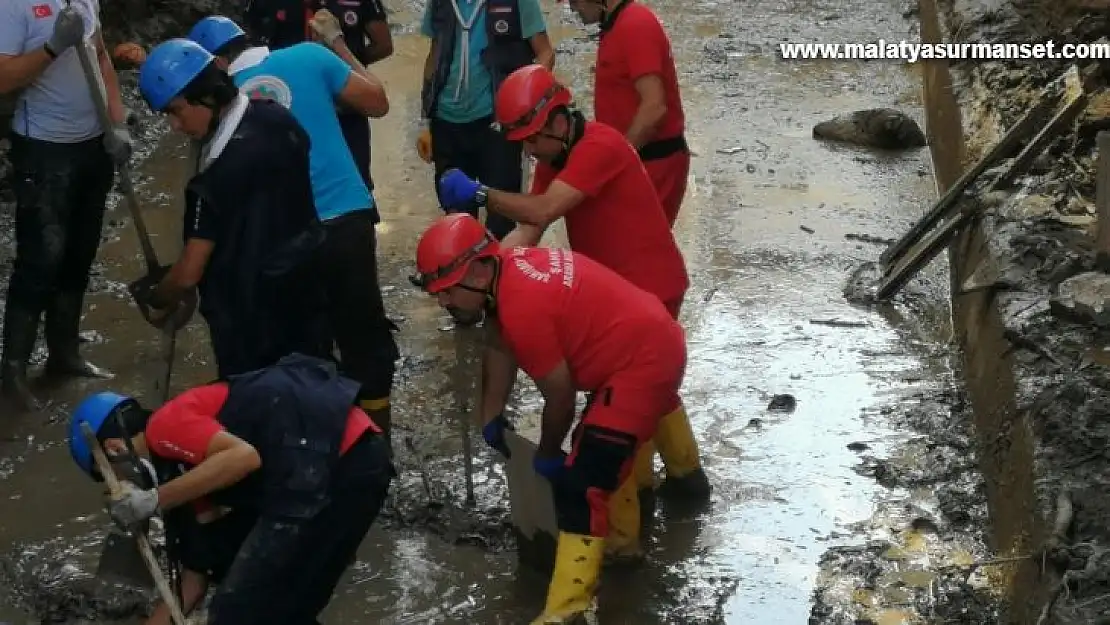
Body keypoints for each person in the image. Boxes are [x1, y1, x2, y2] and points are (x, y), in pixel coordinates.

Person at [437, 64, 710, 507]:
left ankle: (632, 505)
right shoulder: (555, 158)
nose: (528, 150)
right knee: (652, 387)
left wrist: (482, 194)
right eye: (520, 141)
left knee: (618, 412)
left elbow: (543, 210)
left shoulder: (599, 145)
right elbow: (527, 231)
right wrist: (481, 264)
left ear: (560, 120)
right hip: (625, 291)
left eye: (531, 138)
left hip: (650, 287)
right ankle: (686, 479)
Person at [413, 214, 687, 622]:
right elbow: (498, 340)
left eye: (446, 292)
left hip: (643, 364)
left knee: (582, 482)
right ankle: (637, 533)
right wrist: (491, 415)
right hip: (647, 339)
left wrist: (546, 453)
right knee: (604, 447)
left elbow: (560, 397)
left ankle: (566, 612)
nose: (443, 303)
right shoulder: (506, 271)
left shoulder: (523, 308)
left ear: (474, 271)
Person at [186, 16, 399, 447]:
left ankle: (320, 442)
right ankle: (376, 442)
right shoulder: (308, 55)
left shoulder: (218, 106)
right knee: (363, 337)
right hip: (346, 216)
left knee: (305, 346)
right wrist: (337, 43)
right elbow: (377, 102)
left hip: (285, 238)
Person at [67, 352, 394, 625]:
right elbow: (195, 576)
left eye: (110, 477)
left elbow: (243, 457)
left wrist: (152, 500)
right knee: (285, 610)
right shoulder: (180, 470)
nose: (123, 486)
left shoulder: (166, 426)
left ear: (112, 449)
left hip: (336, 461)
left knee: (235, 612)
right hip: (348, 462)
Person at [130, 39, 331, 379]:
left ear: (207, 95)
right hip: (306, 293)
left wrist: (161, 296)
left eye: (176, 111)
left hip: (250, 323)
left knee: (255, 412)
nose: (175, 127)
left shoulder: (212, 181)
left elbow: (191, 270)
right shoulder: (277, 118)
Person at [0, 0, 133, 410]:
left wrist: (117, 123)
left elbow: (101, 58)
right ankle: (12, 371)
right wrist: (53, 47)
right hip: (43, 148)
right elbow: (3, 78)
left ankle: (64, 353)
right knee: (41, 259)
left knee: (79, 253)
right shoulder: (12, 5)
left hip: (92, 144)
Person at [417, 0, 555, 239]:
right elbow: (434, 55)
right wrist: (425, 120)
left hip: (498, 123)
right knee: (455, 214)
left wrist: (527, 97)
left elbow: (545, 52)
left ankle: (503, 269)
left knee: (503, 216)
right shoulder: (440, 3)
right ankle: (464, 271)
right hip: (446, 121)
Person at [240, 0, 392, 212]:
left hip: (347, 109)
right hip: (290, 112)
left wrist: (342, 70)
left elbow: (383, 45)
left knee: (355, 186)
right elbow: (252, 53)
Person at [566, 0, 690, 226]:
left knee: (641, 249)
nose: (572, 8)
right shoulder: (616, 25)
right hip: (639, 160)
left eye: (573, 1)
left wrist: (617, 159)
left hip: (653, 163)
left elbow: (654, 108)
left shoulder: (634, 25)